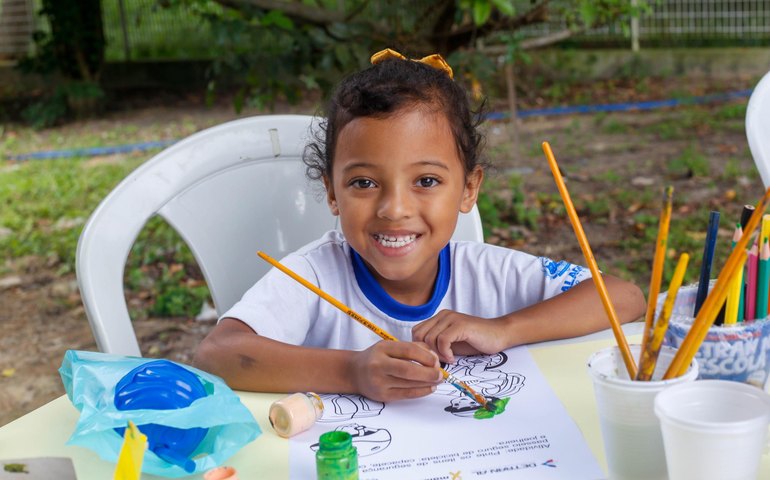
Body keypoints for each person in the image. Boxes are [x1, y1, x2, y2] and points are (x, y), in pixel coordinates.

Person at [193, 48, 646, 403]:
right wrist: (351, 371)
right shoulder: (311, 277)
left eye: (426, 180)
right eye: (364, 182)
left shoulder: (487, 272)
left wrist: (503, 329)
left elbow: (624, 297)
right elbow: (217, 354)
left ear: (469, 188)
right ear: (332, 192)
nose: (394, 208)